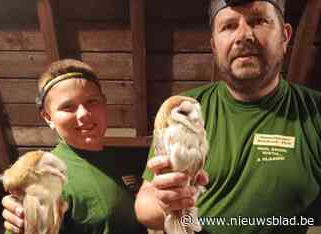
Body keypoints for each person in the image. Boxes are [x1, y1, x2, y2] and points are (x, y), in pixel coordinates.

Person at [135, 0, 321, 233]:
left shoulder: (315, 113)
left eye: (259, 21)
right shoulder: (184, 110)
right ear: (214, 45)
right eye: (229, 26)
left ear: (285, 36)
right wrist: (165, 203)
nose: (244, 35)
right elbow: (145, 204)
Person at [1, 59, 145, 234]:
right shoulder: (43, 177)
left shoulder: (126, 160)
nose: (84, 114)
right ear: (48, 117)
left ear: (104, 103)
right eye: (68, 107)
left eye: (92, 101)